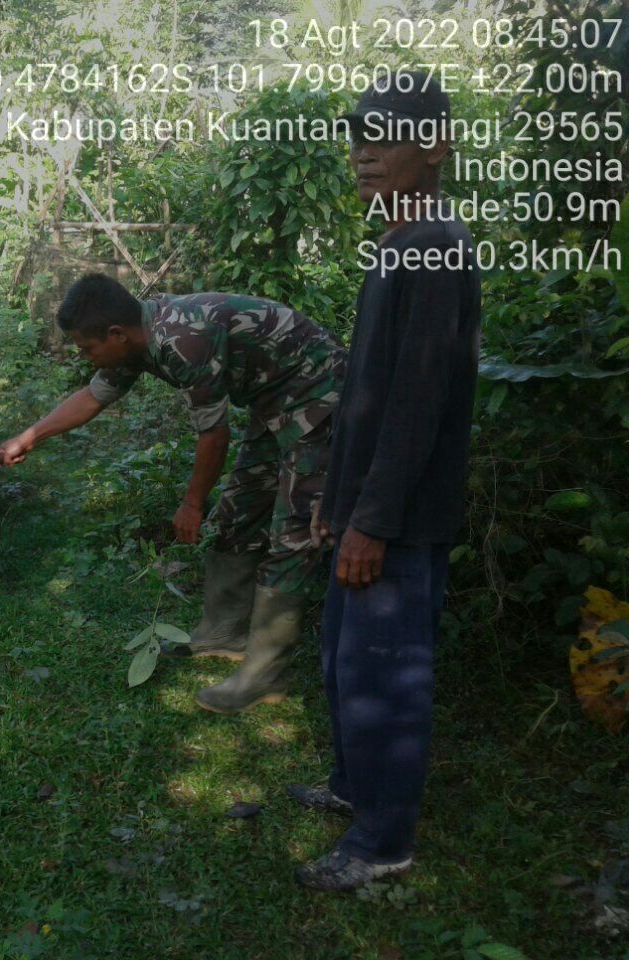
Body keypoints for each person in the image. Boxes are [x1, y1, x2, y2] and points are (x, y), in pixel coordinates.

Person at [289, 71, 481, 891]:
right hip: (367, 508)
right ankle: (350, 789)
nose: (365, 155)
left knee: (385, 678)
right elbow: (367, 398)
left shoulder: (437, 246)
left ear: (435, 147)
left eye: (385, 137)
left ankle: (382, 844)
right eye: (358, 139)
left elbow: (416, 406)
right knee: (341, 661)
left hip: (400, 516)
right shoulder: (400, 243)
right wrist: (337, 506)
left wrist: (371, 520)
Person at [0, 275, 345, 714]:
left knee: (292, 533)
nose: (85, 357)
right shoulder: (135, 337)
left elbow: (214, 437)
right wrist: (29, 437)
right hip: (274, 401)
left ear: (116, 335)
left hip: (321, 395)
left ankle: (265, 675)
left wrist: (191, 504)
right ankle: (224, 631)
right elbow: (92, 396)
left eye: (87, 348)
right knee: (240, 509)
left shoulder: (183, 342)